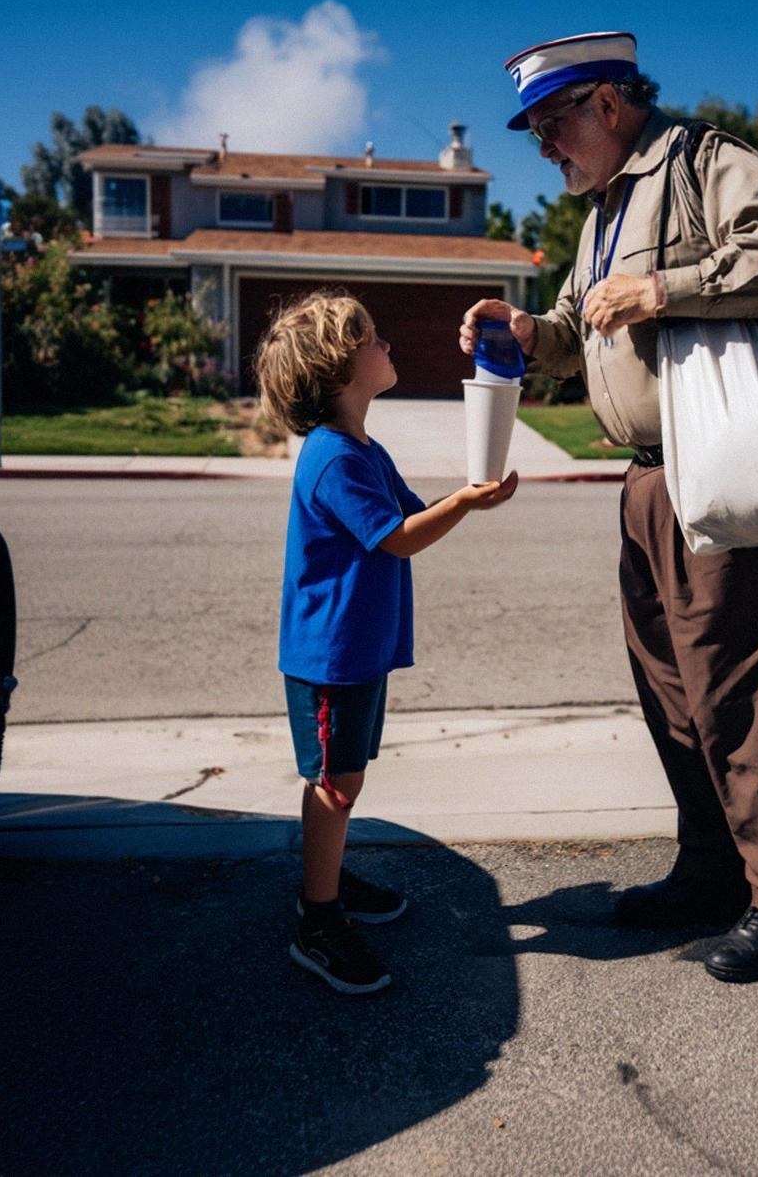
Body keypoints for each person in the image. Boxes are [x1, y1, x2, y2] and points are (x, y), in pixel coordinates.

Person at [461, 32, 758, 983]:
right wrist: (525, 330)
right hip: (650, 482)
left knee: (735, 695)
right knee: (672, 695)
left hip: (728, 475)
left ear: (608, 104)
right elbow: (581, 330)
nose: (544, 148)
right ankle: (709, 872)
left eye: (551, 125)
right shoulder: (602, 212)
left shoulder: (703, 162)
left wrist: (666, 287)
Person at [256, 292, 517, 993]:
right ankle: (317, 919)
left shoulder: (364, 448)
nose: (388, 345)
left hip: (358, 649)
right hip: (329, 657)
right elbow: (397, 539)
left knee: (347, 775)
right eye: (372, 338)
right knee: (334, 786)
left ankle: (328, 883)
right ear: (337, 367)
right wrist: (465, 502)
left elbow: (409, 514)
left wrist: (468, 493)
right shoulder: (333, 458)